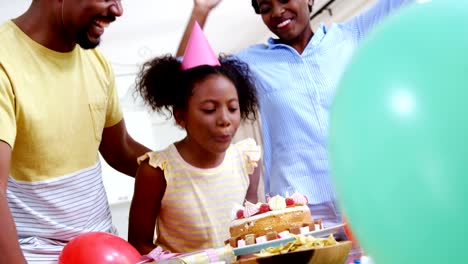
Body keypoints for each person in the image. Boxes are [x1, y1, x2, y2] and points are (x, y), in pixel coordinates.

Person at [176, 0, 413, 230]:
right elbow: (183, 74)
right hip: (299, 207)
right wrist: (201, 10)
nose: (277, 11)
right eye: (265, 8)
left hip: (365, 195)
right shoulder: (250, 62)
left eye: (284, 0)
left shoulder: (351, 35)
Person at [0, 0, 151, 263]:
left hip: (104, 250)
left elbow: (121, 149)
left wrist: (186, 167)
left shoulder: (96, 61)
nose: (118, 10)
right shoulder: (5, 62)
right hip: (34, 255)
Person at [128, 23, 260, 254]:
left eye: (232, 108)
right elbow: (139, 245)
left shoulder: (247, 160)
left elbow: (249, 229)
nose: (224, 119)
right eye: (209, 110)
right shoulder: (156, 171)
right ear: (181, 116)